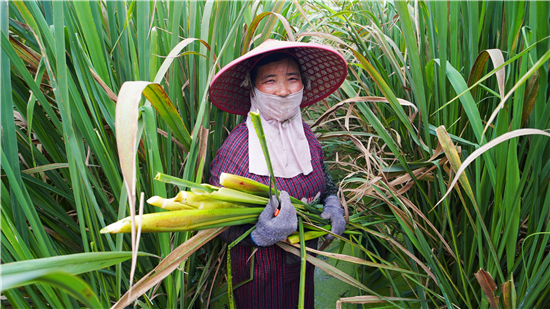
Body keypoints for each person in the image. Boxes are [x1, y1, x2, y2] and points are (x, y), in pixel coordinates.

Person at [208, 39, 347, 309]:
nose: (283, 91)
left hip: (303, 262)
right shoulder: (238, 148)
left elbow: (324, 179)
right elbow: (217, 221)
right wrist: (258, 235)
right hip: (258, 271)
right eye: (270, 81)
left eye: (292, 79)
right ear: (253, 89)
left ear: (303, 85)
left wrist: (332, 201)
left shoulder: (306, 136)